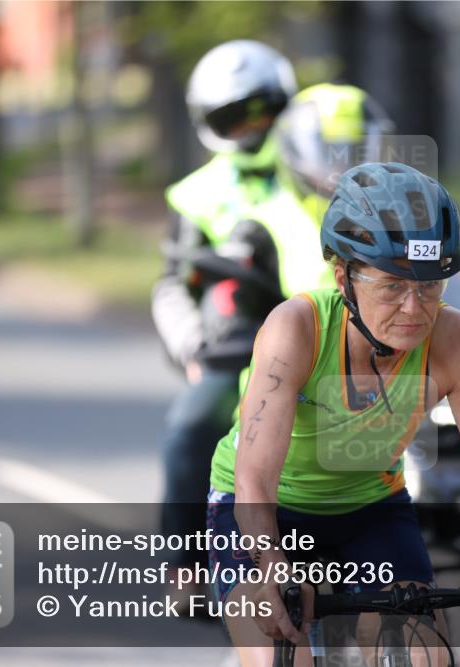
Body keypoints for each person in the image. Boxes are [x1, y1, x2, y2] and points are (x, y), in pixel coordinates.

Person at [206, 162, 460, 665]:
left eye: (431, 286)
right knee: (284, 652)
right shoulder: (295, 330)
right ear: (343, 276)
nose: (414, 308)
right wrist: (274, 563)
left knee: (425, 656)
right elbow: (255, 480)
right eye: (392, 286)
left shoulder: (456, 340)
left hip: (369, 511)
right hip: (264, 510)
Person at [153, 40, 296, 596]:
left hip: (334, 334)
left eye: (262, 109)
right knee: (190, 427)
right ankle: (184, 563)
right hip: (239, 348)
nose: (252, 126)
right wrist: (192, 348)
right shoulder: (195, 194)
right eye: (234, 117)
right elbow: (172, 286)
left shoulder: (317, 167)